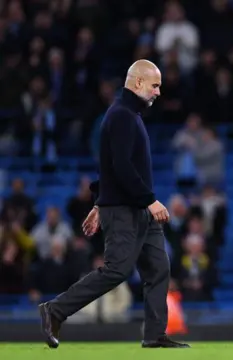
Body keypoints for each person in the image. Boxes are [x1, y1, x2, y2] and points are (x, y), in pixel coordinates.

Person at [38, 60, 189, 349]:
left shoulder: (128, 115)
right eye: (155, 85)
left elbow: (108, 166)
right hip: (125, 210)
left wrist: (98, 202)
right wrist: (149, 200)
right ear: (138, 83)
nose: (158, 92)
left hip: (134, 208)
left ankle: (155, 335)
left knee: (158, 268)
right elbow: (120, 166)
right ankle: (55, 310)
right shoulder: (121, 115)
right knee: (116, 270)